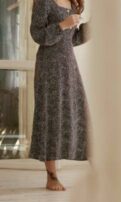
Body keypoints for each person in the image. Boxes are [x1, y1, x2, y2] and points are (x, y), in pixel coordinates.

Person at [29, 0, 90, 191]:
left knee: (79, 114)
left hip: (69, 65)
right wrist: (63, 24)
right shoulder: (44, 2)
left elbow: (73, 39)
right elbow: (38, 35)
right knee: (51, 118)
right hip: (49, 66)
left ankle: (100, 171)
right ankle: (51, 175)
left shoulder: (72, 2)